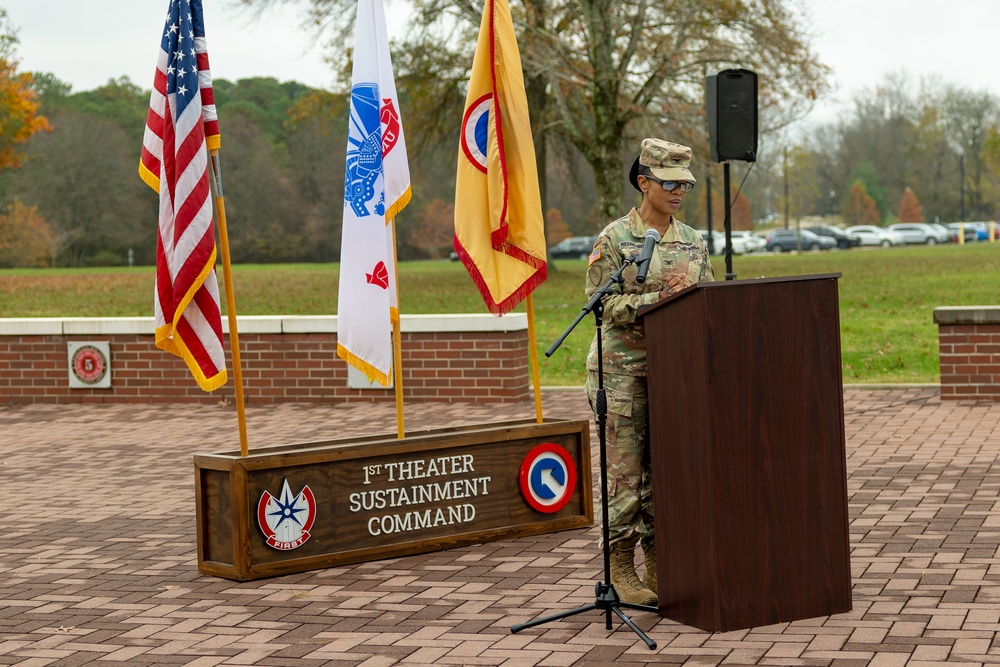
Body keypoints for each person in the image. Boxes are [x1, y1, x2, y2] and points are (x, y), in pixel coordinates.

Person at [584, 138, 714, 605]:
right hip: (622, 375)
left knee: (665, 474)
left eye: (686, 184)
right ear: (644, 182)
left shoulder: (693, 240)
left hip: (674, 375)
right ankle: (620, 565)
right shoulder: (616, 238)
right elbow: (604, 306)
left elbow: (709, 299)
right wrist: (658, 301)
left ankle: (661, 562)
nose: (679, 191)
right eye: (669, 182)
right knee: (626, 476)